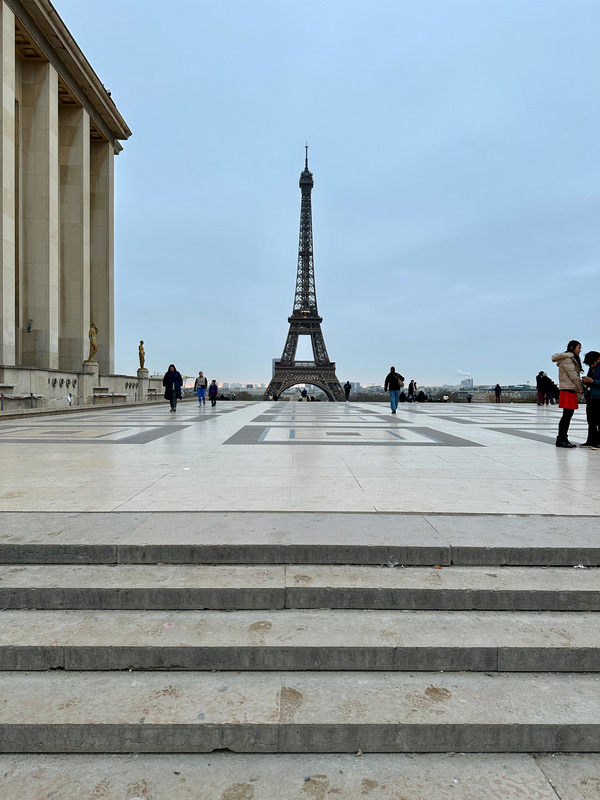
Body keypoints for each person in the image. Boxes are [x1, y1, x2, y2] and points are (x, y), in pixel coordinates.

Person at [552, 340, 584, 448]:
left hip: (569, 388)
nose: (580, 350)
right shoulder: (567, 359)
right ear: (572, 348)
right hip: (568, 389)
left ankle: (563, 438)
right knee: (567, 415)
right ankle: (561, 439)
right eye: (578, 348)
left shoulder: (569, 359)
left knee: (567, 415)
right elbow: (574, 376)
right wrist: (581, 388)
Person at [581, 350, 600, 448]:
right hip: (591, 396)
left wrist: (593, 381)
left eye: (592, 363)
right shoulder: (592, 369)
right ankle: (591, 440)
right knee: (591, 420)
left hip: (598, 397)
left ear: (598, 359)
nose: (591, 365)